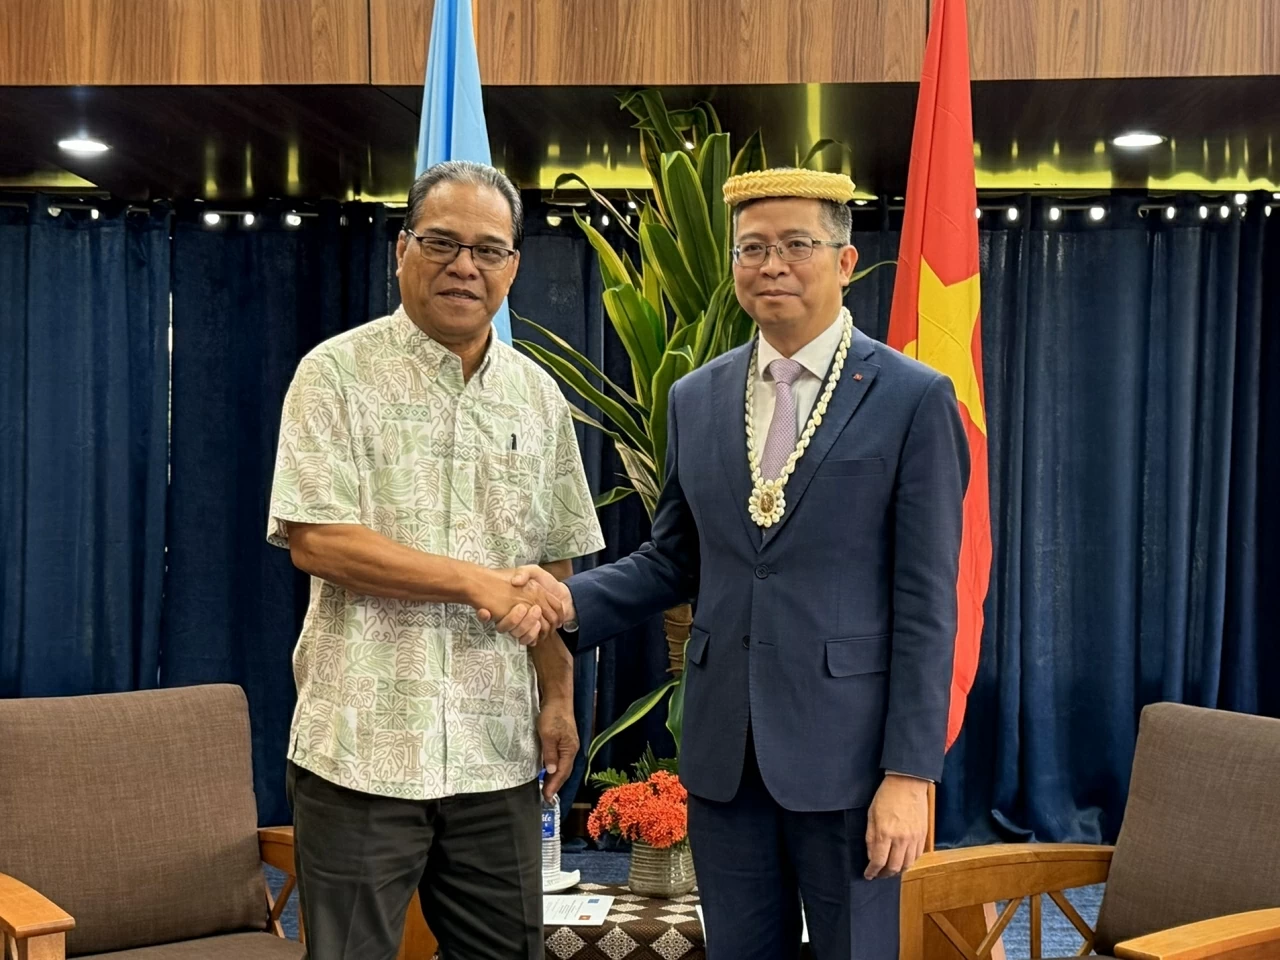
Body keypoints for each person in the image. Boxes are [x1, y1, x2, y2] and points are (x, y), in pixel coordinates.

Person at [505, 169, 969, 959]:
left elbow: (928, 604)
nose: (772, 265)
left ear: (846, 261)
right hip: (726, 756)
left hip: (851, 763)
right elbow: (674, 559)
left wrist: (910, 773)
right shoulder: (696, 397)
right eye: (752, 248)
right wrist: (566, 600)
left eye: (796, 245)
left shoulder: (912, 397)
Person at [267, 160, 604, 960]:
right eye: (442, 243)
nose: (464, 267)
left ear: (513, 266)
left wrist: (557, 696)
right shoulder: (334, 375)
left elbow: (551, 572)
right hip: (360, 749)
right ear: (401, 249)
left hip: (495, 749)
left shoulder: (538, 397)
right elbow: (318, 540)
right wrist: (473, 580)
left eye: (488, 250)